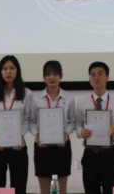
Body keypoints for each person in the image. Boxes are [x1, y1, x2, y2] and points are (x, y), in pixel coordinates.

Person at [76, 61, 114, 194]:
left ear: (107, 77)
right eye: (92, 75)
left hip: (109, 153)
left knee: (111, 190)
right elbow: (78, 124)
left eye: (100, 74)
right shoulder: (82, 102)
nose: (96, 77)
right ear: (89, 80)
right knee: (90, 190)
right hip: (90, 153)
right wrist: (81, 132)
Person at [0, 55, 32, 194]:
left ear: (17, 71)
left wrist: (20, 136)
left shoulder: (27, 93)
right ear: (0, 72)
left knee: (19, 187)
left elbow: (27, 118)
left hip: (18, 146)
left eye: (12, 68)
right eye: (5, 68)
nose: (8, 72)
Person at [30, 60, 76, 194]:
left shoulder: (69, 97)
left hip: (62, 146)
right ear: (44, 77)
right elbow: (31, 121)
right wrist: (37, 134)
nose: (51, 77)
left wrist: (65, 134)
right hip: (42, 146)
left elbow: (72, 122)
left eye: (55, 74)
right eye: (48, 74)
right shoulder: (36, 98)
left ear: (61, 76)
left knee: (61, 190)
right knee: (45, 191)